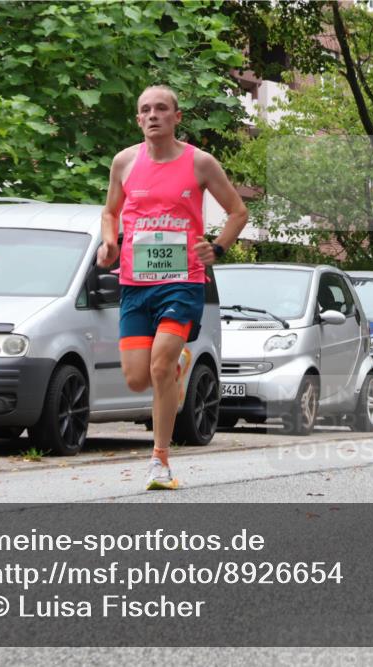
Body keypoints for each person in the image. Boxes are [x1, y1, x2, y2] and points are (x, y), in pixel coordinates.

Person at [98, 85, 248, 490]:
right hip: (135, 283)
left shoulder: (200, 163)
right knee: (136, 378)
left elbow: (238, 211)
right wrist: (109, 242)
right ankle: (176, 366)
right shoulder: (124, 162)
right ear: (138, 119)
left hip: (183, 281)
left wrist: (217, 247)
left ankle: (159, 461)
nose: (153, 115)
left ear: (176, 117)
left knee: (159, 366)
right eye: (145, 110)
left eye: (161, 108)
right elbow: (110, 212)